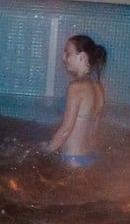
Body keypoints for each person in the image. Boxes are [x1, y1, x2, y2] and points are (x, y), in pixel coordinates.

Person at [42, 35, 107, 167]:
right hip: (89, 157)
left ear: (82, 56)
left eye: (68, 53)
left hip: (71, 159)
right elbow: (93, 130)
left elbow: (66, 129)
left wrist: (45, 151)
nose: (63, 57)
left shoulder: (76, 87)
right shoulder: (98, 87)